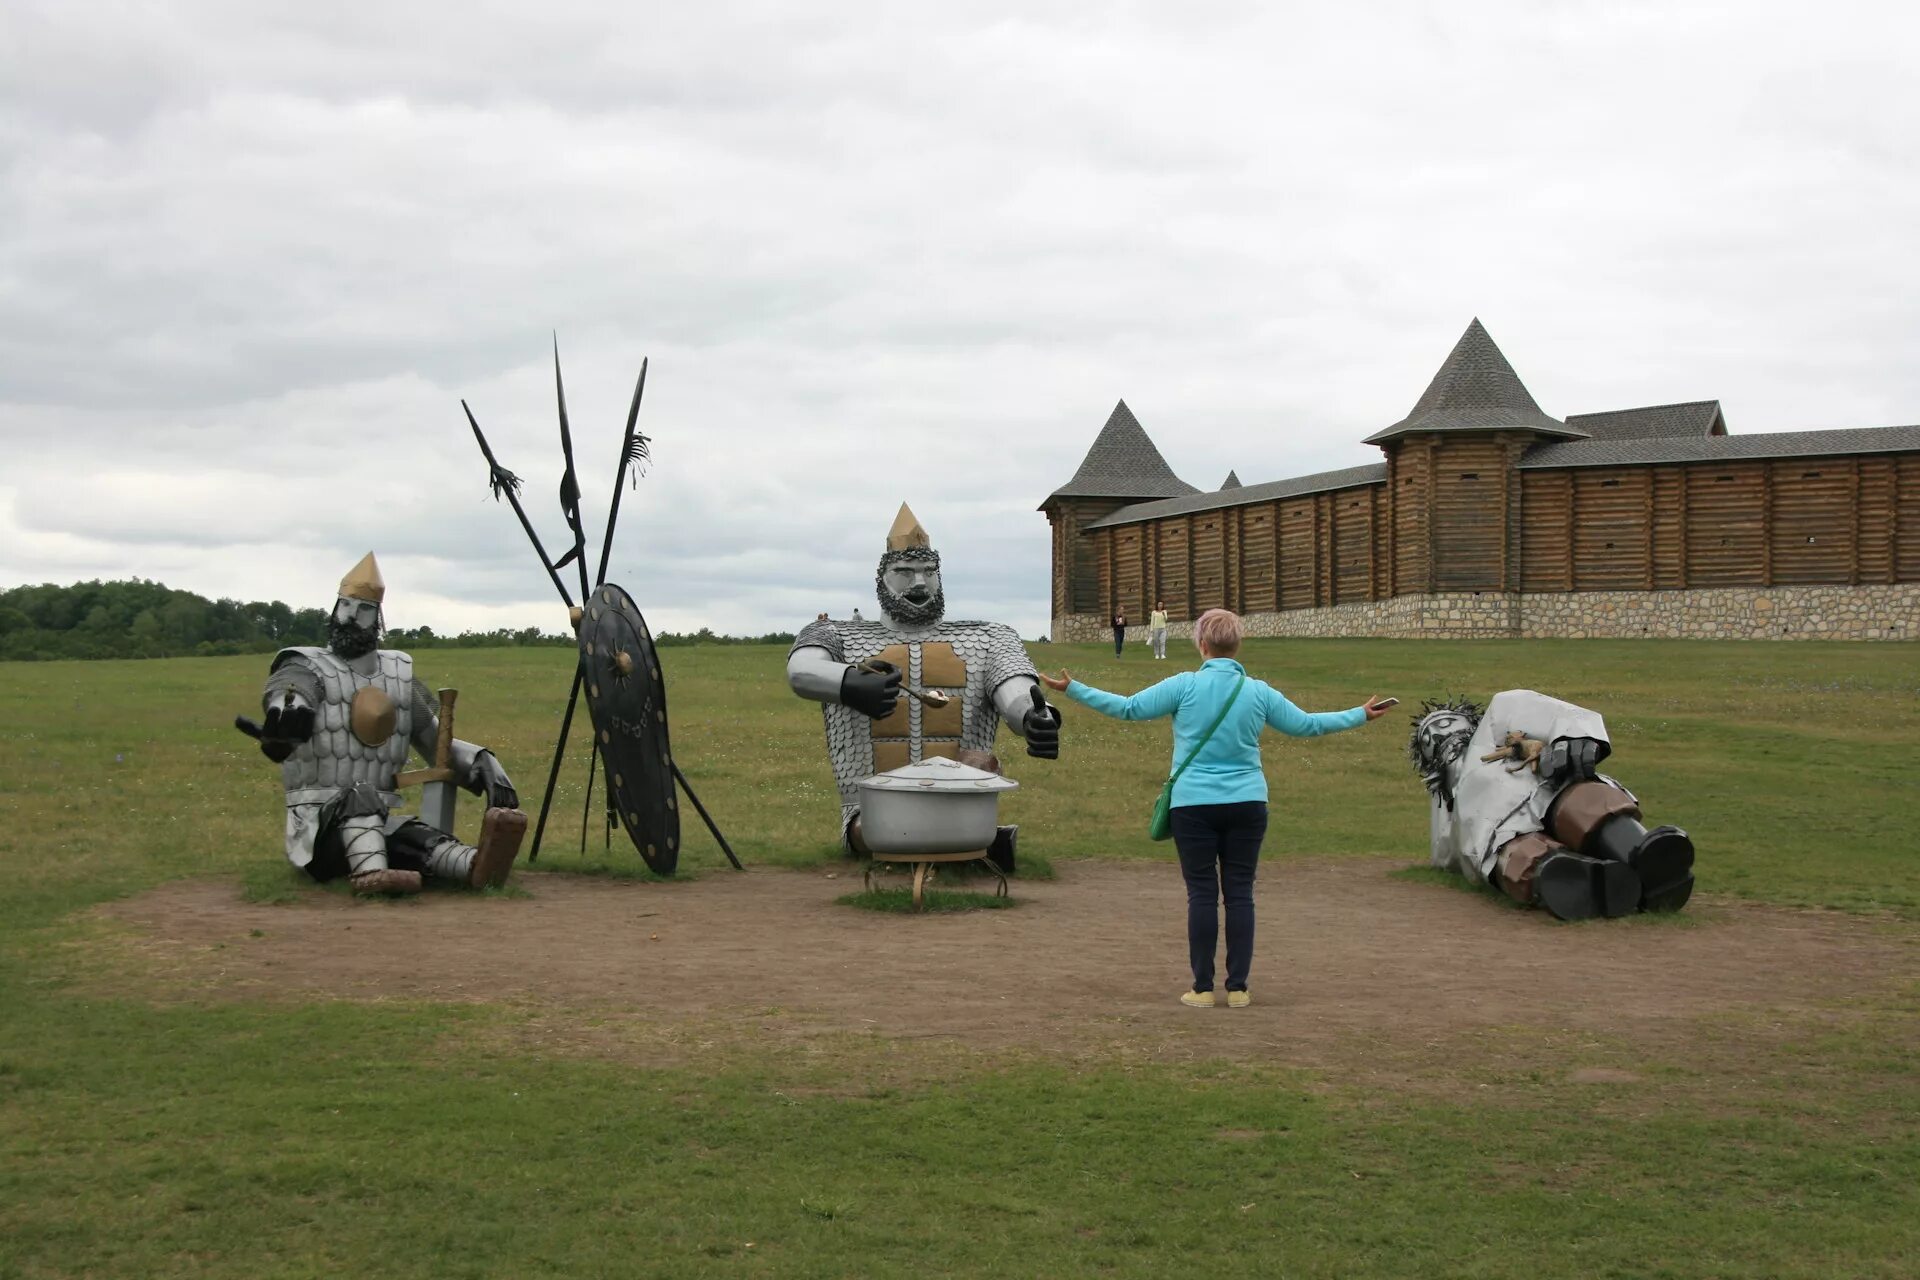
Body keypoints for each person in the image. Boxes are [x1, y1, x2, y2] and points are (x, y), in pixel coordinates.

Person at [1040, 608, 1391, 1007]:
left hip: (1193, 804)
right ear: (1237, 646)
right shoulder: (1257, 691)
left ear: (1202, 645)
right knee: (1240, 894)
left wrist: (1074, 689)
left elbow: (1128, 708)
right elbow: (1307, 725)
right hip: (1248, 802)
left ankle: (1202, 989)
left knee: (1202, 895)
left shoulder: (1184, 685)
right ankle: (1238, 989)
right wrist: (1359, 715)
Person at [787, 504, 1062, 869]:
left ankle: (959, 838)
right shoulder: (835, 635)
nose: (919, 583)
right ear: (882, 579)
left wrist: (1033, 716)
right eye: (904, 572)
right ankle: (968, 843)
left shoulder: (991, 637)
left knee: (971, 777)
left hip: (960, 796)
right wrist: (848, 682)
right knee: (875, 829)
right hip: (872, 809)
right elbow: (801, 670)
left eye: (928, 572)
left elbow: (1014, 686)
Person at [243, 552, 524, 895]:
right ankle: (371, 875)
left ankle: (477, 867)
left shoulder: (398, 677)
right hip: (318, 830)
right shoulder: (306, 665)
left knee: (415, 837)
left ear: (377, 618)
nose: (349, 617)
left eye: (362, 610)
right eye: (344, 606)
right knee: (360, 795)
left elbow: (438, 745)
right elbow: (291, 692)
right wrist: (286, 717)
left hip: (380, 818)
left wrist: (482, 759)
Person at [1410, 692, 1694, 919]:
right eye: (1428, 740)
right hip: (1501, 832)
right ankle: (1570, 879)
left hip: (1546, 788)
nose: (1437, 738)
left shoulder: (1492, 730)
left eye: (1444, 724)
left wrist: (1573, 734)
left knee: (1586, 807)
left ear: (1469, 722)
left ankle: (1641, 853)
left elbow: (1522, 705)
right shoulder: (1448, 803)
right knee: (1521, 857)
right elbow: (1447, 853)